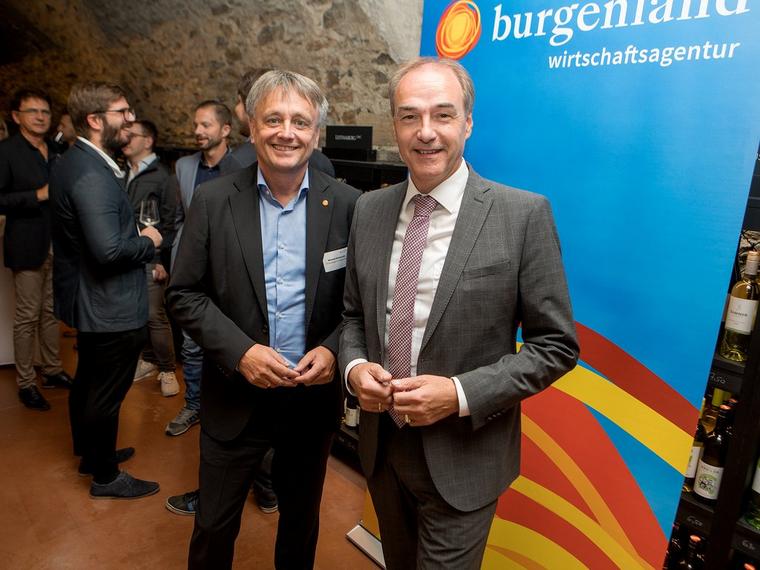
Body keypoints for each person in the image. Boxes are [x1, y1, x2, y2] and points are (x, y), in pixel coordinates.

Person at [339, 57, 580, 569]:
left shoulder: (522, 215)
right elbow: (353, 316)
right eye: (409, 116)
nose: (425, 132)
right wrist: (355, 368)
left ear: (467, 122)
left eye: (443, 115)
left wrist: (458, 394)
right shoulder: (368, 210)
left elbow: (555, 346)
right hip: (383, 450)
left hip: (465, 457)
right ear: (395, 126)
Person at [166, 69, 360, 569]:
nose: (286, 133)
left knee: (300, 524)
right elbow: (184, 294)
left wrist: (333, 350)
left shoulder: (348, 205)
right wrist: (242, 352)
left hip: (310, 400)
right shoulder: (213, 200)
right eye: (273, 119)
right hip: (234, 397)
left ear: (316, 132)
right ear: (251, 127)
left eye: (300, 121)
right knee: (213, 526)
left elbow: (359, 306)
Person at [50, 82, 162, 499]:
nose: (131, 120)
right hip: (108, 304)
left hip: (91, 299)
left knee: (88, 381)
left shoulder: (75, 160)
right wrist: (149, 241)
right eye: (123, 112)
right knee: (105, 392)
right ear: (95, 120)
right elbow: (109, 251)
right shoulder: (90, 174)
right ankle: (105, 476)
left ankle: (92, 453)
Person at [165, 100, 241, 437]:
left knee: (229, 340)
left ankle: (229, 409)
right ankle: (194, 404)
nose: (198, 131)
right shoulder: (183, 167)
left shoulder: (242, 168)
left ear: (225, 130)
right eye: (196, 124)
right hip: (192, 269)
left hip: (228, 272)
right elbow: (177, 219)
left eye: (205, 125)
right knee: (191, 343)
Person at [0, 88, 73, 412]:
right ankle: (27, 382)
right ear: (17, 117)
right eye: (33, 111)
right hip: (27, 244)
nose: (41, 117)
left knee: (51, 313)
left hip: (58, 244)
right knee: (27, 316)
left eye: (45, 111)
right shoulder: (6, 152)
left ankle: (53, 370)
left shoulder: (56, 150)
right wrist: (37, 195)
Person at [122, 119, 179, 397]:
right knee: (134, 313)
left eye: (132, 135)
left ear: (148, 141)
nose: (125, 139)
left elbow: (170, 222)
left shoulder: (163, 176)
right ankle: (147, 360)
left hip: (151, 256)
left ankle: (168, 370)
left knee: (154, 314)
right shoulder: (120, 171)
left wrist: (161, 260)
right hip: (126, 253)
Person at [232, 68, 336, 177]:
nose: (286, 134)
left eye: (300, 123)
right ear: (253, 128)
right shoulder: (225, 181)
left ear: (316, 135)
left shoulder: (326, 169)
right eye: (274, 121)